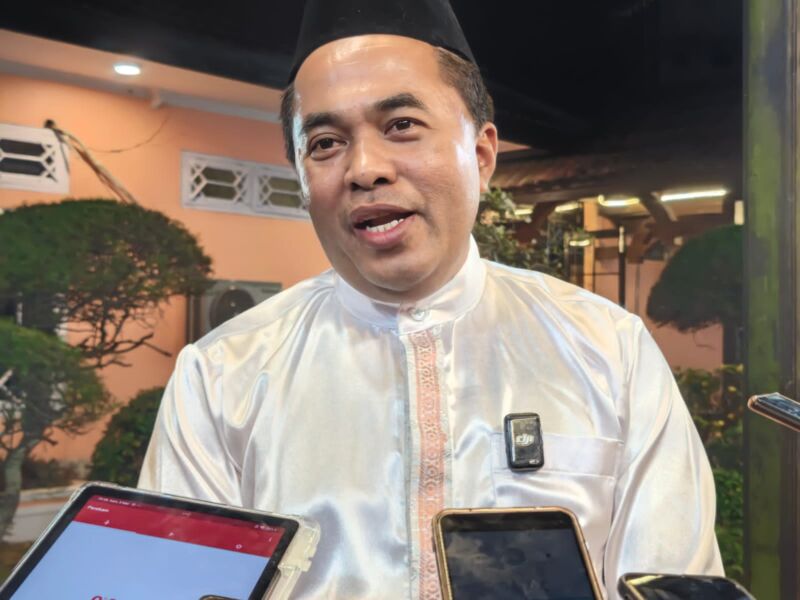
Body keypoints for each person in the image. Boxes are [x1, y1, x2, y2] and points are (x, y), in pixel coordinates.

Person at [139, 1, 723, 597]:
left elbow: (671, 579)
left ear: (482, 154)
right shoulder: (222, 376)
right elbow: (174, 587)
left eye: (401, 125)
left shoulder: (609, 350)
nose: (365, 169)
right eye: (325, 142)